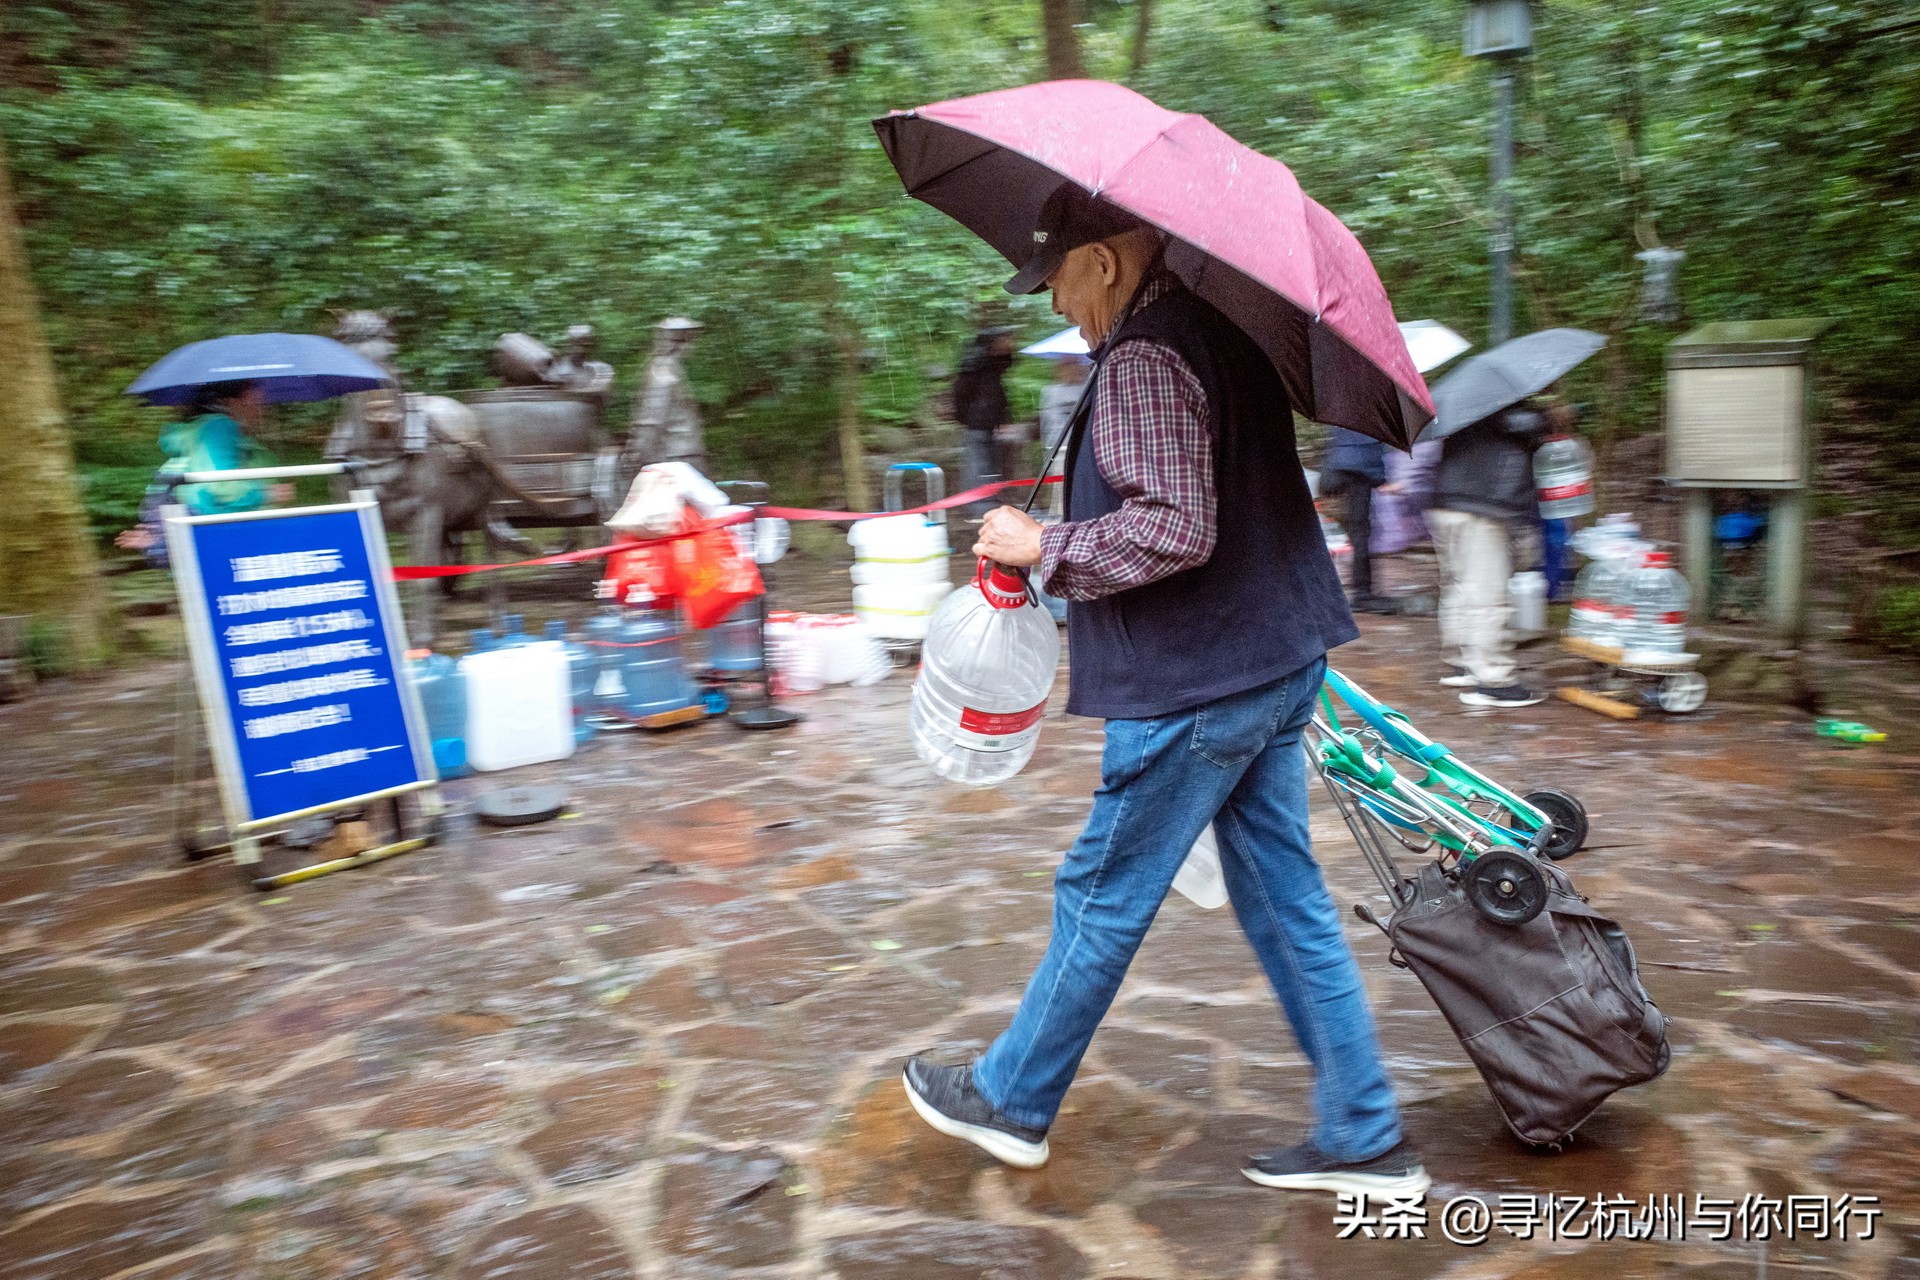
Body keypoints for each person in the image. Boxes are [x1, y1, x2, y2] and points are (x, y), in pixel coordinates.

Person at [902, 182, 1427, 1201]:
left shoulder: (1144, 355)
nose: (1055, 304)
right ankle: (1365, 1129)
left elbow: (1174, 526)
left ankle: (1012, 1097)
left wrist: (1040, 542)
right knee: (1287, 902)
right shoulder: (1222, 331)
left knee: (1100, 892)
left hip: (1199, 682)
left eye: (1054, 278)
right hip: (1275, 661)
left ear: (1101, 259)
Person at [1427, 399, 1552, 708]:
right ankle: (1493, 680)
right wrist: (1546, 416)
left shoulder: (1462, 405)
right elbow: (1533, 429)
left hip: (1445, 502)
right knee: (1488, 596)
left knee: (1458, 586)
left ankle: (1461, 661)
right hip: (1484, 508)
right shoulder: (1513, 411)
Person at [115, 380, 289, 560]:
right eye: (253, 400)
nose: (261, 408)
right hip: (220, 537)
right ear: (230, 401)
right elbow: (221, 486)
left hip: (213, 536)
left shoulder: (209, 429)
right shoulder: (218, 427)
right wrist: (267, 494)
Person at [1320, 426, 1396, 613]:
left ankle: (1357, 591)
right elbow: (1366, 453)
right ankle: (1362, 595)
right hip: (1357, 474)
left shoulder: (1345, 407)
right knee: (1360, 535)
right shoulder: (1372, 413)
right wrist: (1381, 480)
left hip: (1334, 471)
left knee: (1352, 535)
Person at [626, 317, 707, 476]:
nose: (693, 346)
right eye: (690, 340)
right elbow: (650, 423)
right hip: (677, 460)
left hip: (683, 457)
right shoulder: (663, 373)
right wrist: (641, 460)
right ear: (678, 343)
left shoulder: (672, 370)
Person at [951, 325, 1016, 517]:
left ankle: (992, 505)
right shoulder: (974, 366)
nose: (1010, 344)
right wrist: (968, 419)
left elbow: (999, 395)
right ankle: (979, 509)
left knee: (992, 467)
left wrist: (1003, 419)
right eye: (1005, 340)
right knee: (978, 466)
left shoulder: (993, 367)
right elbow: (961, 395)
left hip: (992, 425)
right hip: (977, 425)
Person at [1035, 358, 1089, 516]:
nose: (1072, 369)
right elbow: (1046, 422)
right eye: (1067, 365)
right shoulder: (1050, 391)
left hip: (1081, 447)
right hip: (1059, 447)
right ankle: (1061, 518)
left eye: (1075, 365)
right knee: (1060, 491)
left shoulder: (1086, 388)